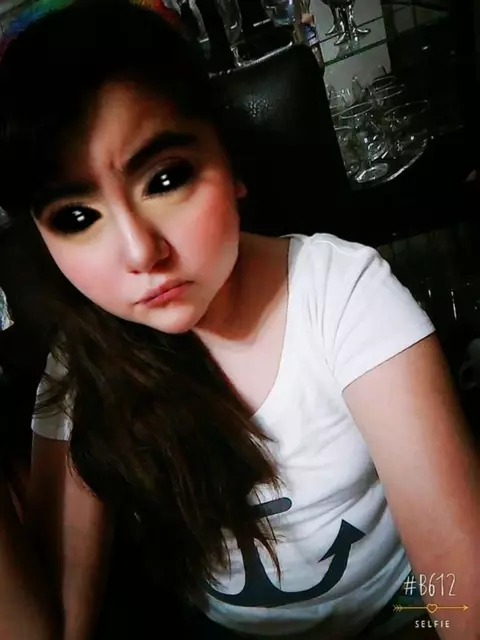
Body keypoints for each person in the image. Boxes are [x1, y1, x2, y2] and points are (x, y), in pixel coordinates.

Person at [0, 2, 478, 639]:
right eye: (77, 218)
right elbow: (52, 627)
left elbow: (461, 590)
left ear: (231, 163)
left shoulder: (342, 296)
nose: (141, 252)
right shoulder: (81, 367)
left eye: (165, 179)